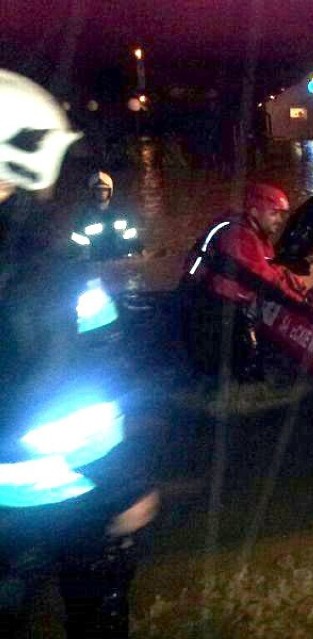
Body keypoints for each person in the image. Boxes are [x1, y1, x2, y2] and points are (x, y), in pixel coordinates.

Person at [1, 69, 158, 638]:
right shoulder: (43, 266)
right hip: (60, 490)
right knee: (97, 608)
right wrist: (123, 483)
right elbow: (55, 394)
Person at [182, 182, 306, 379]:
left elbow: (269, 268)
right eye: (274, 214)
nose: (280, 220)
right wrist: (306, 308)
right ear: (255, 212)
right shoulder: (236, 235)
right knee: (244, 365)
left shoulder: (252, 233)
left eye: (282, 215)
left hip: (216, 305)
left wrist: (295, 283)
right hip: (208, 309)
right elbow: (265, 280)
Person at [69, 171, 143, 260]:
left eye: (104, 189)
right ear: (92, 192)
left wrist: (140, 250)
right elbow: (77, 242)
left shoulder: (121, 215)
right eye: (98, 190)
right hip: (94, 262)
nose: (101, 192)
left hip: (120, 262)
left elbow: (132, 237)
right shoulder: (85, 217)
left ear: (110, 191)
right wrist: (76, 256)